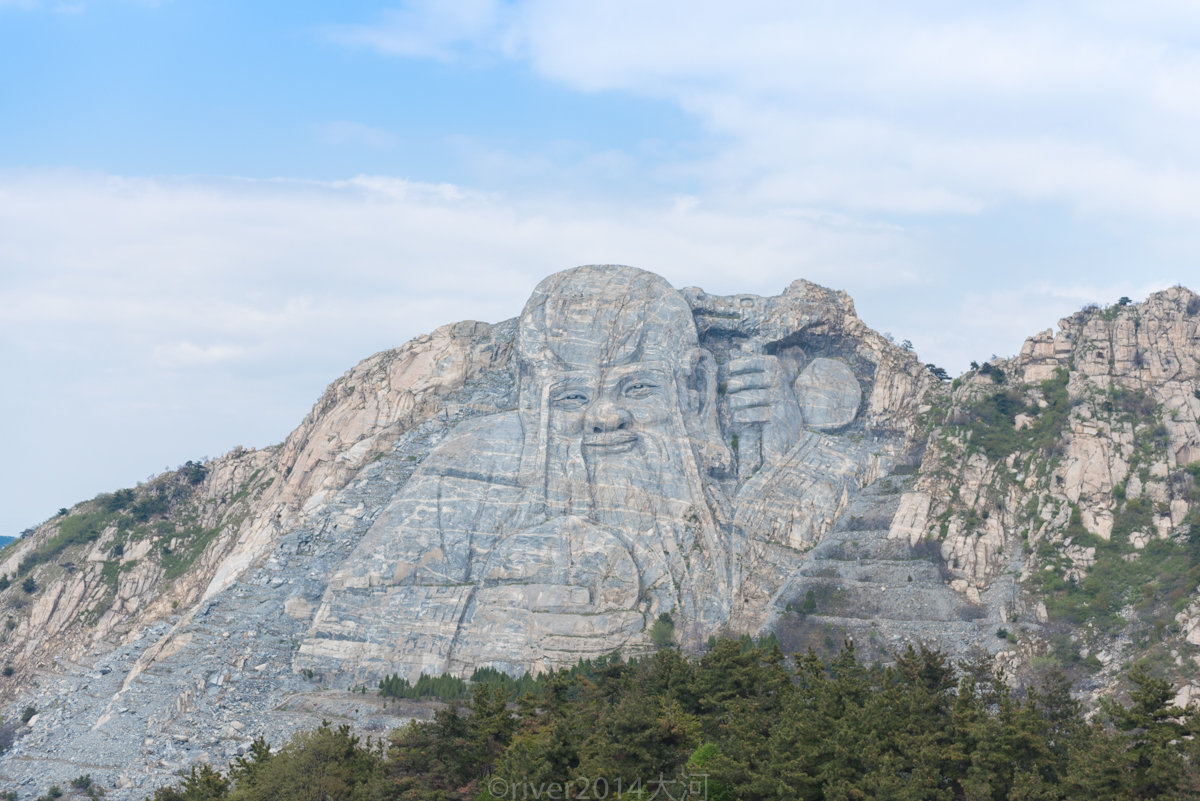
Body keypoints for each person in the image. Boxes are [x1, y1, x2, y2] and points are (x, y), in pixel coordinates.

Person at [301, 265, 868, 680]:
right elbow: (343, 619)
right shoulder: (469, 462)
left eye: (637, 387)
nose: (604, 417)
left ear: (695, 388)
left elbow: (777, 607)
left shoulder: (731, 475)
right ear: (531, 401)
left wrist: (787, 461)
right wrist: (496, 621)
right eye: (572, 396)